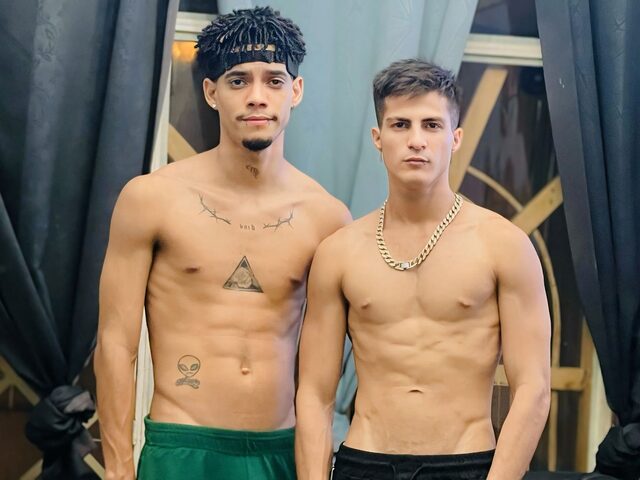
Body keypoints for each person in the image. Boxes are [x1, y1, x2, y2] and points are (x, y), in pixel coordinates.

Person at [94, 7, 350, 480]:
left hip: (280, 449)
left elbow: (328, 370)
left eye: (274, 81)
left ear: (296, 90)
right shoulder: (152, 199)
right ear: (212, 92)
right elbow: (115, 343)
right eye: (238, 81)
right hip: (182, 447)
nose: (257, 97)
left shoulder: (327, 217)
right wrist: (118, 468)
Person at [295, 59, 551, 480]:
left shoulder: (503, 245)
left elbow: (534, 388)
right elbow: (314, 393)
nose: (416, 140)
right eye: (400, 125)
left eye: (432, 125)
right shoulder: (339, 252)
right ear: (378, 138)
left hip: (466, 463)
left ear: (455, 137)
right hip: (365, 462)